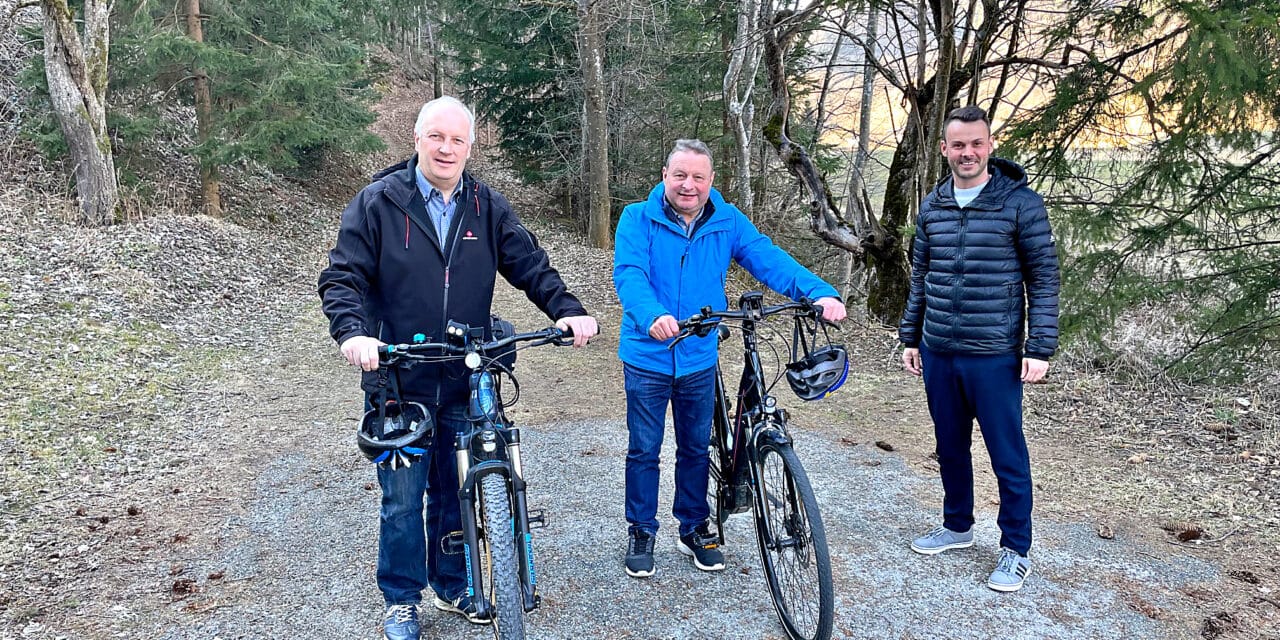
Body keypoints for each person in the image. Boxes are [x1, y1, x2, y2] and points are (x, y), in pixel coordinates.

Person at [318, 96, 598, 640]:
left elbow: (529, 264)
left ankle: (451, 582)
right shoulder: (378, 203)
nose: (446, 148)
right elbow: (342, 277)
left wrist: (567, 310)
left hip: (467, 373)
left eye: (458, 140)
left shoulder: (486, 205)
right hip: (398, 373)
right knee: (402, 496)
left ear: (470, 148)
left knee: (456, 486)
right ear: (418, 140)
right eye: (436, 137)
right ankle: (401, 598)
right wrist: (353, 334)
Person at [612, 139, 847, 578]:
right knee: (644, 448)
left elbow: (767, 258)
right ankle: (641, 529)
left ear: (710, 181)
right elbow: (630, 274)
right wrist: (652, 314)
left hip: (699, 356)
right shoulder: (636, 219)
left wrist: (817, 290)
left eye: (698, 177)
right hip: (649, 354)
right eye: (680, 175)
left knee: (695, 447)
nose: (689, 185)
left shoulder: (727, 220)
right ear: (665, 176)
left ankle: (695, 527)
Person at [898, 105, 1060, 593]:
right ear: (945, 150)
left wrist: (1040, 347)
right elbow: (921, 276)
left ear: (990, 146)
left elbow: (1044, 278)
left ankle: (1016, 549)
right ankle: (957, 526)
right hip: (940, 349)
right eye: (958, 145)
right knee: (950, 446)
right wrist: (910, 336)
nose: (967, 153)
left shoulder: (1021, 204)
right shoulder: (934, 205)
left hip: (995, 353)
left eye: (976, 143)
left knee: (1006, 453)